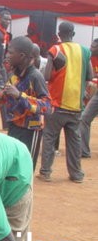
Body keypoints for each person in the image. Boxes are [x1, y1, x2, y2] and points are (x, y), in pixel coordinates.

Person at [39, 22, 92, 183]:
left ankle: (46, 172)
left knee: (49, 137)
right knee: (74, 141)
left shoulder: (55, 50)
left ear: (58, 34)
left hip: (56, 105)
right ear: (73, 34)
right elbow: (90, 76)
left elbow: (47, 76)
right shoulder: (84, 51)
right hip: (76, 106)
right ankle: (76, 174)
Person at [0, 36, 50, 169]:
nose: (7, 55)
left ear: (21, 56)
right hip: (14, 126)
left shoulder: (35, 76)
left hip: (31, 129)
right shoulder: (14, 75)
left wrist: (20, 96)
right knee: (12, 165)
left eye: (10, 52)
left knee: (26, 167)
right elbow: (5, 97)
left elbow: (47, 106)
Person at [80, 38, 98, 158]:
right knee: (84, 118)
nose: (91, 48)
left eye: (93, 46)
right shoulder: (91, 58)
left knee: (84, 119)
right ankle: (84, 151)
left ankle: (85, 151)